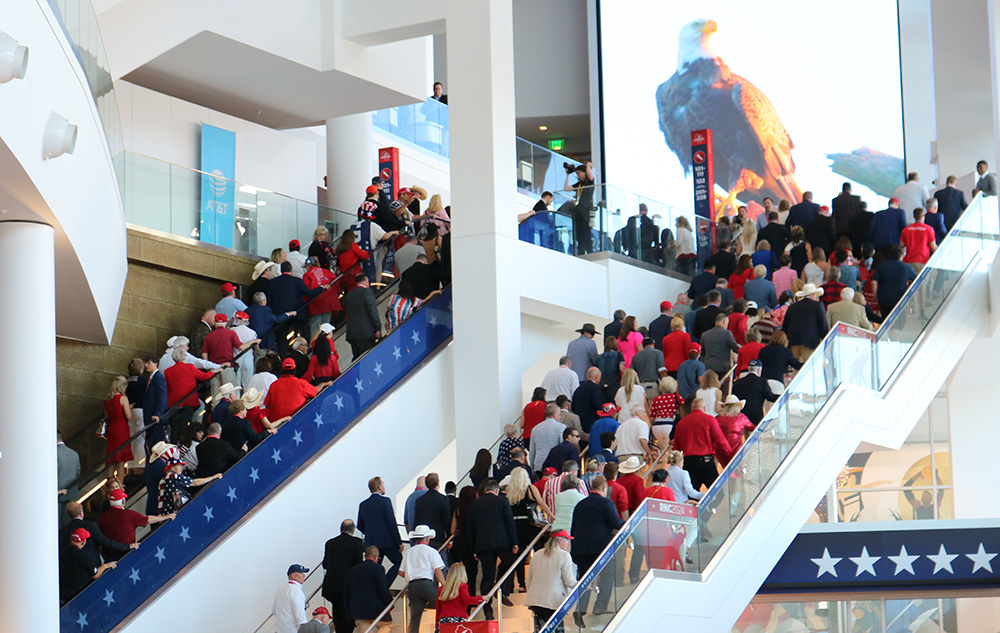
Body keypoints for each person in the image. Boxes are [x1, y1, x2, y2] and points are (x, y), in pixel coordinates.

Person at [570, 475, 624, 628]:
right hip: (601, 547)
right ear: (604, 489)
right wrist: (629, 523)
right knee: (607, 575)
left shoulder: (580, 504)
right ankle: (600, 605)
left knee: (585, 579)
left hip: (581, 548)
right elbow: (615, 522)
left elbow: (573, 527)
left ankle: (580, 609)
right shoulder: (607, 503)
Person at [467, 480, 519, 618]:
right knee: (511, 562)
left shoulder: (474, 506)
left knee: (487, 576)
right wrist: (514, 542)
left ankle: (487, 610)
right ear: (496, 491)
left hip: (483, 545)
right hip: (502, 542)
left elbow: (470, 530)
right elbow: (509, 522)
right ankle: (500, 587)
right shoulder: (502, 501)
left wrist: (474, 550)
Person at [506, 467, 551, 590]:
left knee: (520, 556)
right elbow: (540, 502)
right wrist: (551, 515)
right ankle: (540, 578)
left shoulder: (510, 492)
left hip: (515, 526)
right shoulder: (530, 489)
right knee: (538, 550)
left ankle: (521, 584)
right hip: (529, 524)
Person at [671, 398, 732, 490]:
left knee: (692, 494)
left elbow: (676, 447)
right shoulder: (709, 420)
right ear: (704, 407)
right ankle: (711, 504)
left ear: (692, 409)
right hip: (706, 461)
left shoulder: (681, 423)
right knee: (718, 492)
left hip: (688, 462)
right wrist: (731, 454)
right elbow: (720, 440)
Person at [97, 488, 173, 561]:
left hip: (110, 558)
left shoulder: (102, 518)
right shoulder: (129, 514)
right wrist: (165, 517)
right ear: (123, 501)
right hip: (127, 554)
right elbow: (148, 519)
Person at [525, 530, 577, 632]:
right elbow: (569, 581)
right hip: (553, 601)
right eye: (567, 540)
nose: (568, 543)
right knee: (556, 629)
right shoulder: (564, 555)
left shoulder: (537, 554)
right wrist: (583, 584)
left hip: (535, 600)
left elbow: (529, 579)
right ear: (560, 540)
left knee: (542, 629)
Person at [357, 476, 404, 585]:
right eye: (383, 485)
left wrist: (370, 533)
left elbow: (360, 525)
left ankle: (373, 588)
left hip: (371, 543)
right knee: (398, 562)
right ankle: (385, 584)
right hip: (387, 542)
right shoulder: (385, 501)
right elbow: (391, 522)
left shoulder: (363, 504)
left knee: (373, 568)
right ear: (379, 487)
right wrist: (398, 542)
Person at [320, 519, 364, 633]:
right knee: (348, 616)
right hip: (347, 586)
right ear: (353, 530)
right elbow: (358, 564)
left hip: (331, 586)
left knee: (338, 615)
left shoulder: (330, 543)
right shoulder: (357, 542)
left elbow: (325, 564)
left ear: (341, 529)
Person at [60, 528, 117, 603]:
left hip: (60, 593)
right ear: (83, 542)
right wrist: (106, 565)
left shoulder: (60, 552)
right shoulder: (84, 556)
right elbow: (95, 574)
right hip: (77, 596)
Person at [344, 545, 393, 633]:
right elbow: (382, 588)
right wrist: (390, 603)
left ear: (365, 556)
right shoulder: (378, 569)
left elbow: (347, 593)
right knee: (386, 625)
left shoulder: (352, 571)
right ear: (376, 556)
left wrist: (349, 613)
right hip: (378, 610)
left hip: (359, 611)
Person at [782, 283, 829, 362]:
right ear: (813, 294)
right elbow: (823, 325)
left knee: (796, 367)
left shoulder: (793, 307)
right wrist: (825, 339)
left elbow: (785, 326)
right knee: (808, 367)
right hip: (810, 342)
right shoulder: (818, 305)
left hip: (793, 341)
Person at [342, 274, 381, 360]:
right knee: (368, 360)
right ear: (366, 279)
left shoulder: (349, 295)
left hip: (353, 335)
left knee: (358, 361)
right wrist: (377, 328)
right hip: (366, 334)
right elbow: (372, 311)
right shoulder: (367, 292)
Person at [103, 375, 134, 485]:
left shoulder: (108, 399)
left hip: (112, 428)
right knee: (121, 460)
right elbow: (128, 416)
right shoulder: (123, 398)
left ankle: (109, 487)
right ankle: (120, 486)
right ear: (123, 386)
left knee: (112, 460)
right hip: (121, 428)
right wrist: (130, 408)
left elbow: (107, 416)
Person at [872, 245, 918, 316]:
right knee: (899, 323)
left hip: (883, 299)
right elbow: (916, 281)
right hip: (900, 299)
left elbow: (873, 282)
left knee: (885, 320)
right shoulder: (907, 267)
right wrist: (908, 291)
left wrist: (876, 296)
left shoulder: (881, 266)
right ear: (900, 255)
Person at [731, 360, 778, 426]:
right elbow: (771, 398)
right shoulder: (762, 382)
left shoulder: (737, 383)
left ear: (748, 369)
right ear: (759, 370)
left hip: (741, 416)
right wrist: (784, 395)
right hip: (756, 417)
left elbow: (733, 399)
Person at [414, 473, 453, 552]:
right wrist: (449, 538)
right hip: (438, 539)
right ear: (438, 484)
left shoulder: (419, 501)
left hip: (423, 538)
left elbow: (416, 521)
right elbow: (447, 521)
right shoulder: (443, 499)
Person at [714, 395, 755, 466]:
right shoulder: (741, 418)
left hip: (721, 450)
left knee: (726, 470)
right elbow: (752, 428)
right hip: (736, 449)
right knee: (738, 471)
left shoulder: (719, 418)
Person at [530, 403, 566, 475]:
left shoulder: (535, 429)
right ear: (555, 414)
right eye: (559, 414)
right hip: (555, 464)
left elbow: (532, 451)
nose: (560, 417)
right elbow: (562, 447)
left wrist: (532, 468)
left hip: (539, 464)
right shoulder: (561, 427)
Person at [700, 313, 740, 378]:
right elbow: (735, 348)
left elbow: (702, 354)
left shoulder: (705, 335)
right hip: (722, 368)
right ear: (724, 322)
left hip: (708, 367)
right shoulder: (727, 333)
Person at [273, 564, 310, 633]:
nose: (304, 576)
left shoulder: (281, 589)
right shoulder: (296, 590)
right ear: (293, 576)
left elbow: (274, 610)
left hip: (280, 629)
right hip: (293, 629)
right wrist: (304, 626)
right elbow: (299, 612)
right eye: (301, 573)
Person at [900, 207, 938, 273]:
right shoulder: (929, 229)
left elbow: (901, 245)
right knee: (922, 282)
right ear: (923, 215)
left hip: (908, 262)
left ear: (914, 216)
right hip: (922, 261)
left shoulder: (906, 229)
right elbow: (933, 247)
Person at [649, 376, 683, 447]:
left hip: (657, 426)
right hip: (670, 424)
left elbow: (652, 417)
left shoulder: (656, 399)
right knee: (671, 448)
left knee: (662, 449)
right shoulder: (677, 397)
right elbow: (684, 411)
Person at [572, 367, 606, 438]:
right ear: (597, 376)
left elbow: (573, 406)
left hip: (579, 422)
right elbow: (598, 404)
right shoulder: (596, 388)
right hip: (591, 422)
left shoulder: (579, 388)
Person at [57, 433, 80, 526]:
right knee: (68, 526)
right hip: (71, 494)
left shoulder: (52, 453)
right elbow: (78, 473)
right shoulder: (74, 454)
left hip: (57, 494)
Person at [596, 337, 625, 401]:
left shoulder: (600, 357)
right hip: (614, 383)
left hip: (601, 383)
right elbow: (621, 368)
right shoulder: (619, 355)